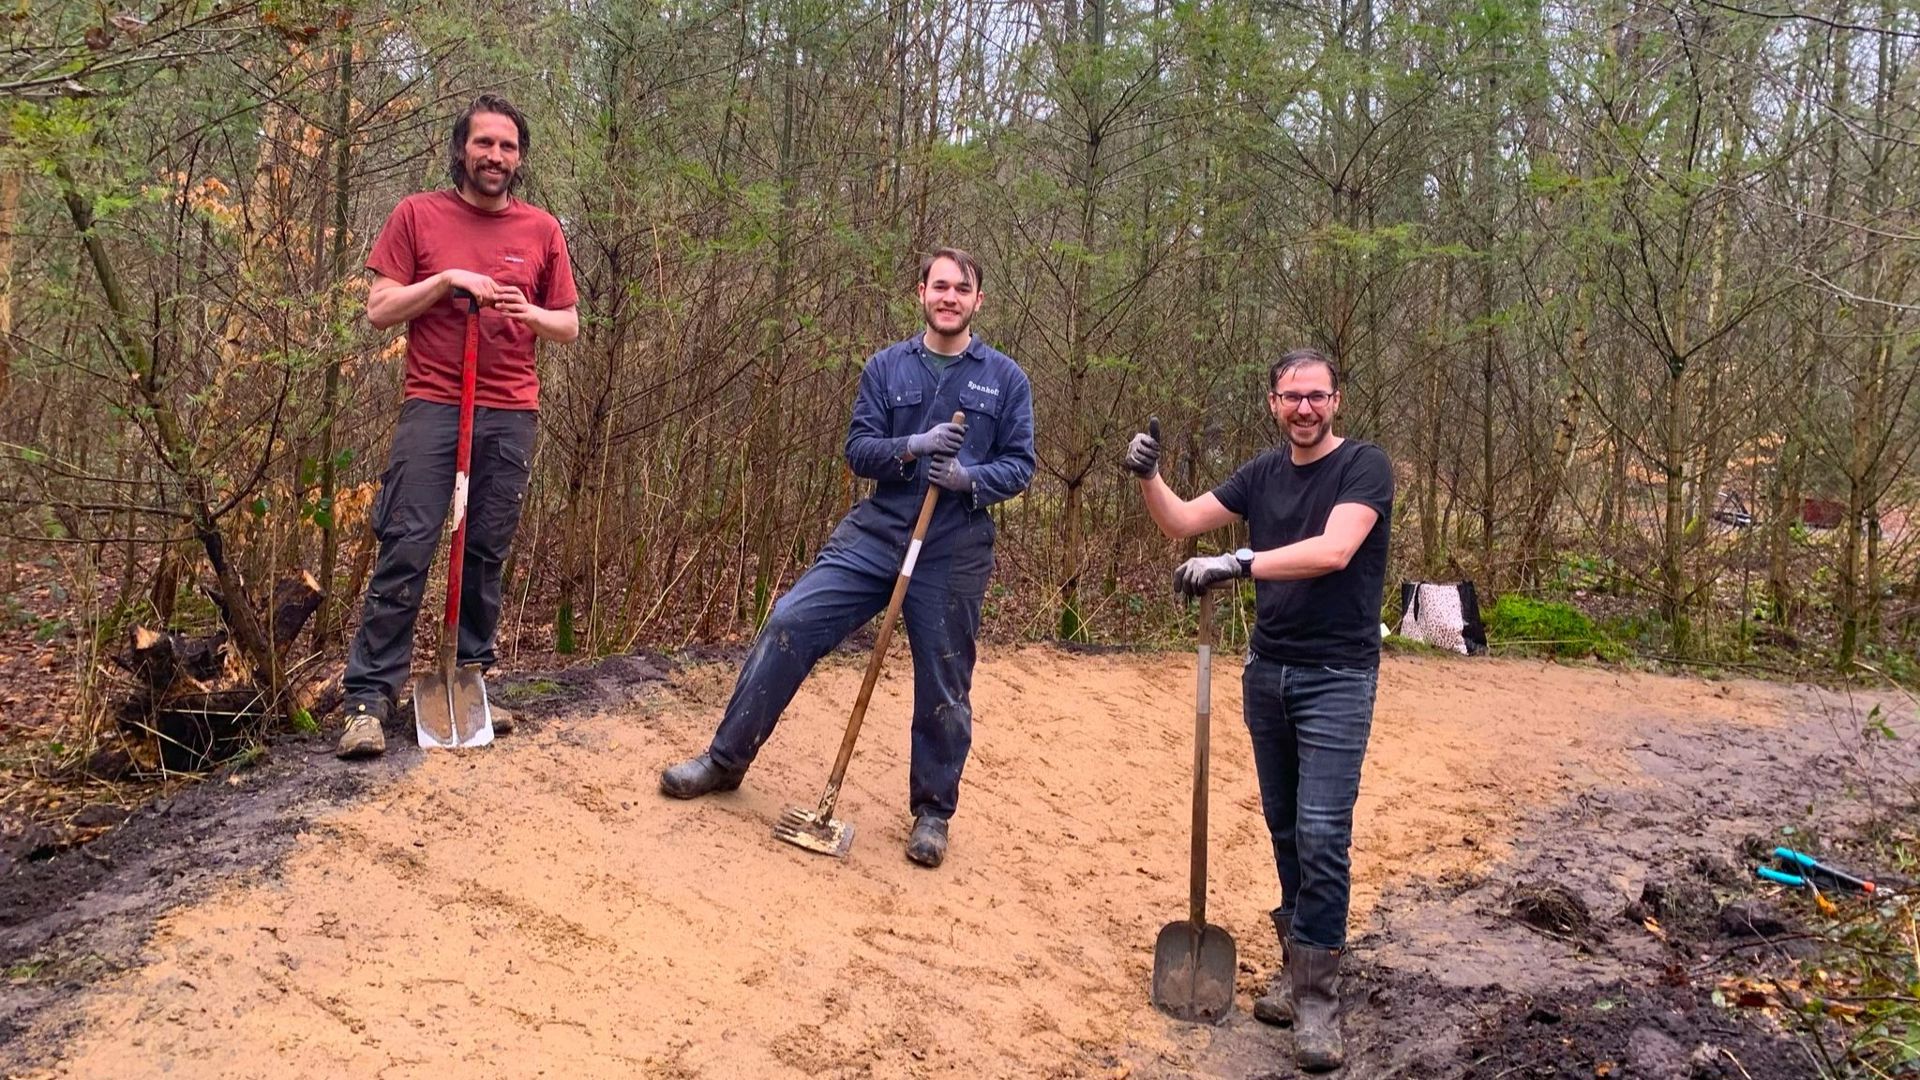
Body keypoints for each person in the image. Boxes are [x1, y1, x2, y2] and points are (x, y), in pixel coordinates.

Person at [659, 248, 1035, 869]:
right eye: (939, 286)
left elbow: (1020, 465)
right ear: (921, 292)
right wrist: (912, 446)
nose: (949, 298)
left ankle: (933, 813)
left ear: (978, 301)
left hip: (954, 548)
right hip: (877, 532)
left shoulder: (1005, 379)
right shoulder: (887, 368)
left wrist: (969, 476)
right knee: (789, 622)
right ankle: (725, 760)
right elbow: (859, 449)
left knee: (944, 677)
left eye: (961, 289)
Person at [1124, 349, 1392, 1072]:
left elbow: (1334, 552)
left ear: (1336, 400)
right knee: (1285, 830)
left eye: (1316, 396)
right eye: (1290, 397)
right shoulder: (1261, 474)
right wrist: (1150, 476)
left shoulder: (1365, 466)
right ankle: (1293, 965)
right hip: (1267, 673)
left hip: (1337, 675)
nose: (1304, 409)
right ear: (1272, 402)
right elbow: (1181, 523)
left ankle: (1317, 1002)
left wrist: (1237, 563)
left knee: (1322, 830)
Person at [336, 93, 580, 758]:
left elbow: (568, 324)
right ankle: (366, 698)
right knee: (408, 542)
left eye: (506, 146)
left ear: (519, 157)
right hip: (436, 403)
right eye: (484, 144)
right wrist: (445, 280)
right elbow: (380, 309)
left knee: (485, 551)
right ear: (461, 149)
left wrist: (526, 312)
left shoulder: (541, 230)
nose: (495, 156)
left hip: (509, 409)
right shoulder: (418, 215)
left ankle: (468, 678)